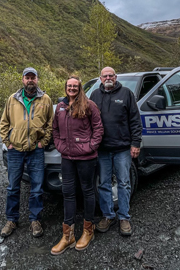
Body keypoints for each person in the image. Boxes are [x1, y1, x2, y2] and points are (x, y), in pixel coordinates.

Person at [51, 76, 104, 255]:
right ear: (65, 88)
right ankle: (68, 235)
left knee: (88, 191)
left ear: (80, 88)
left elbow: (98, 128)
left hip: (86, 158)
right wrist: (59, 145)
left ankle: (88, 230)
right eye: (69, 86)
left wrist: (90, 146)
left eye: (75, 86)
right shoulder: (60, 107)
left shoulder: (89, 105)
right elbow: (55, 129)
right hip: (67, 157)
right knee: (68, 193)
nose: (72, 88)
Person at [0, 67, 53, 238]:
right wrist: (8, 142)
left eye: (33, 77)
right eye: (27, 77)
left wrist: (43, 142)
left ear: (37, 80)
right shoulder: (12, 99)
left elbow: (50, 125)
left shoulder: (45, 99)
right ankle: (11, 220)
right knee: (13, 187)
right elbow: (4, 123)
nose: (30, 80)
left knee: (37, 188)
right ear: (22, 80)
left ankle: (35, 220)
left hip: (35, 151)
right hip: (16, 150)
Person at [90, 67, 142, 236]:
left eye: (110, 75)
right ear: (100, 78)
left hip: (122, 149)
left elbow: (135, 120)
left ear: (115, 77)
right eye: (105, 76)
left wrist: (136, 143)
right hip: (102, 150)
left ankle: (124, 218)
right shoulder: (94, 96)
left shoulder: (126, 94)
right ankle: (107, 216)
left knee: (124, 183)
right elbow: (88, 122)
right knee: (104, 184)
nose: (108, 78)